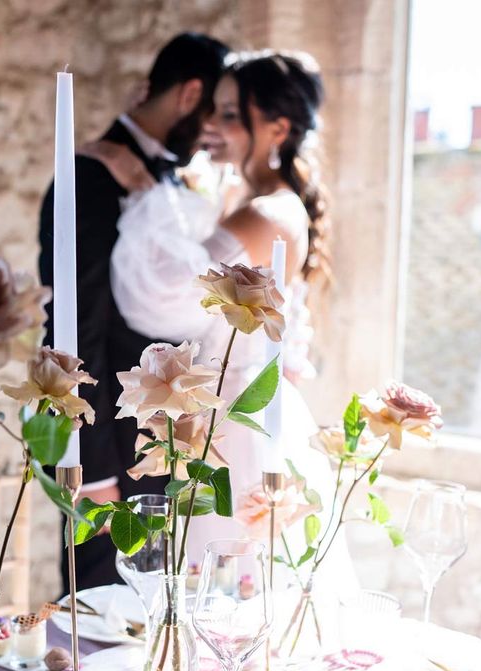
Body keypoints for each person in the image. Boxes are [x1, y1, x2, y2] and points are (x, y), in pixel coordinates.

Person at [94, 50, 357, 590]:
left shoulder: (266, 213)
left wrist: (146, 188)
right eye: (215, 109)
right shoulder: (251, 201)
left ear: (277, 128)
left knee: (223, 594)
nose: (212, 125)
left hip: (237, 427)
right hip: (224, 419)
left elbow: (166, 290)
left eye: (232, 114)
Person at [38, 33, 230, 593]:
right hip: (108, 449)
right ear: (191, 93)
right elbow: (75, 329)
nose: (219, 131)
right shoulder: (91, 176)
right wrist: (91, 469)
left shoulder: (170, 176)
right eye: (218, 111)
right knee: (101, 620)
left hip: (167, 445)